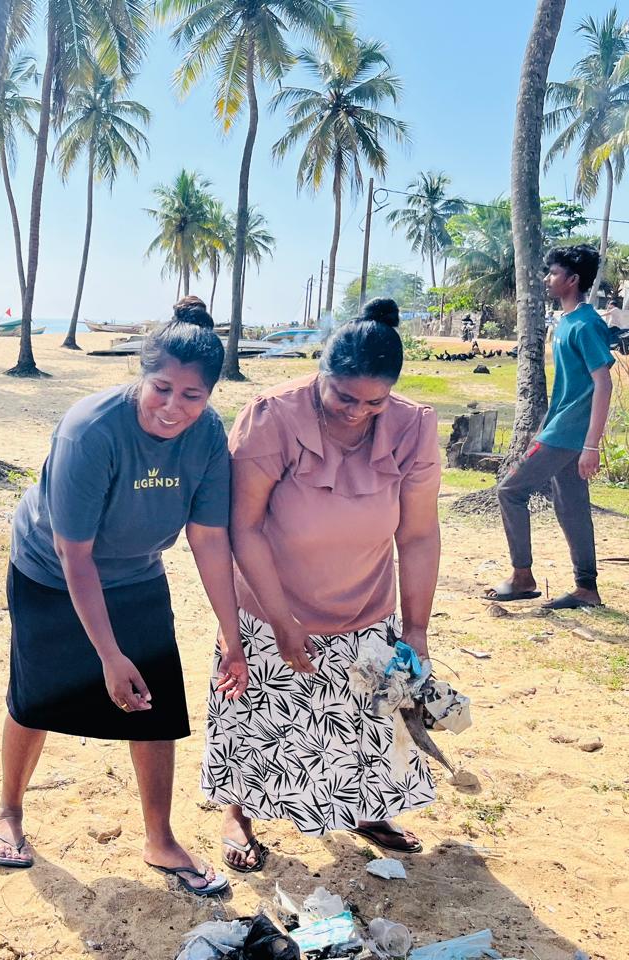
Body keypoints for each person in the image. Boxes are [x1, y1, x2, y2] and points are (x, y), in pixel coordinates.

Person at [0, 296, 248, 896]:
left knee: (156, 706)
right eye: (162, 388)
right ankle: (8, 811)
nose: (173, 407)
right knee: (36, 698)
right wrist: (108, 655)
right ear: (141, 376)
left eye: (192, 395)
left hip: (135, 571)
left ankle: (160, 838)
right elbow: (74, 554)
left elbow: (210, 539)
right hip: (50, 572)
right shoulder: (91, 429)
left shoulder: (208, 436)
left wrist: (232, 636)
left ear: (211, 394)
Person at [202, 297, 443, 870]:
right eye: (344, 397)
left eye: (375, 402)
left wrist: (416, 629)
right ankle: (237, 813)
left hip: (367, 603)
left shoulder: (412, 426)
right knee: (259, 719)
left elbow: (417, 535)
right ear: (322, 373)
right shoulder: (272, 416)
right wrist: (280, 621)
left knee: (367, 719)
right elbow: (244, 526)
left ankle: (367, 809)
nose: (358, 413)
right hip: (272, 603)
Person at [486, 245, 614, 611]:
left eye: (553, 273)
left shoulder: (586, 324)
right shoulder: (566, 323)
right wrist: (540, 429)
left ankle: (522, 577)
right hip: (560, 429)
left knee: (510, 491)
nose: (547, 279)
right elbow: (567, 388)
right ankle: (586, 588)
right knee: (571, 505)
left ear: (572, 280)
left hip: (570, 434)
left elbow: (603, 384)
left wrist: (592, 445)